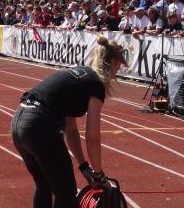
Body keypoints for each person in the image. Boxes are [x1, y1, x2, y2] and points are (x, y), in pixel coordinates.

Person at [11, 37, 125, 207]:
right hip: (38, 125)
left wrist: (85, 168)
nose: (119, 69)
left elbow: (71, 129)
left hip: (19, 121)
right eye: (120, 64)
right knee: (66, 191)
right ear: (113, 61)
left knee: (44, 185)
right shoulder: (96, 84)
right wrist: (100, 175)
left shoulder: (78, 76)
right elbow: (92, 137)